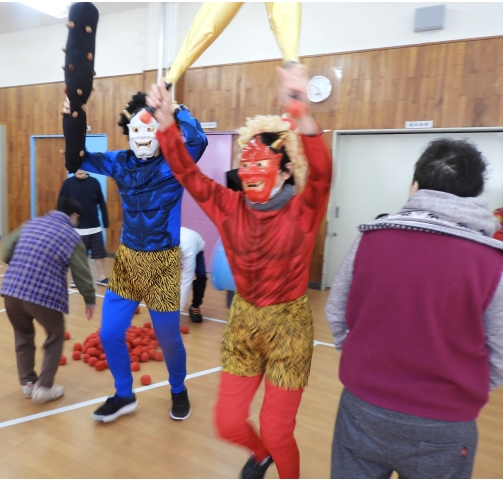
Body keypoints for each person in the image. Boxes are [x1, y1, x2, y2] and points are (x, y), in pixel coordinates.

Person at [147, 64, 331, 479]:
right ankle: (260, 455)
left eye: (260, 162)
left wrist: (301, 112)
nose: (249, 171)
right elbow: (188, 174)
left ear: (286, 169)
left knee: (278, 431)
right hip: (243, 322)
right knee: (228, 423)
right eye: (245, 163)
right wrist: (166, 123)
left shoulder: (304, 210)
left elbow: (322, 175)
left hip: (289, 329)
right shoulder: (229, 207)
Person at [325, 138, 503, 479]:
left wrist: (364, 361)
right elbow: (499, 353)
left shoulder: (370, 239)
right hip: (445, 424)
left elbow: (336, 313)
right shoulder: (492, 261)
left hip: (362, 407)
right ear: (474, 195)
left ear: (415, 186)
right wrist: (464, 386)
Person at [62, 91, 207, 423]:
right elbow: (77, 159)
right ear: (128, 131)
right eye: (136, 129)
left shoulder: (175, 161)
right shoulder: (120, 162)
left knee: (168, 339)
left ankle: (178, 388)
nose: (142, 135)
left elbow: (198, 141)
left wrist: (177, 110)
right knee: (110, 333)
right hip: (127, 262)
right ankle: (124, 394)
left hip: (162, 264)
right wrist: (72, 119)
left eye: (149, 127)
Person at [0, 197, 96, 404]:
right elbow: (81, 273)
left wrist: (21, 266)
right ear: (74, 216)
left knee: (23, 335)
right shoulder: (71, 236)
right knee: (55, 334)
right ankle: (44, 387)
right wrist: (89, 299)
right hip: (41, 295)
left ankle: (28, 383)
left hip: (11, 291)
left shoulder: (31, 223)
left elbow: (6, 252)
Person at [58, 169, 109, 286]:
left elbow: (102, 203)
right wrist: (61, 223)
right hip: (76, 229)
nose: (79, 170)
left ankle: (102, 277)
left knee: (99, 254)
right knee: (79, 257)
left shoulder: (94, 182)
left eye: (82, 167)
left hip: (95, 227)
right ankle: (78, 280)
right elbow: (61, 205)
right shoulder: (67, 184)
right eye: (77, 167)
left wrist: (105, 222)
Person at [179, 226, 206, 322]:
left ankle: (195, 306)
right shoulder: (160, 245)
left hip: (195, 245)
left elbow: (186, 282)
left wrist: (177, 312)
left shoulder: (188, 252)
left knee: (201, 276)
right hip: (180, 245)